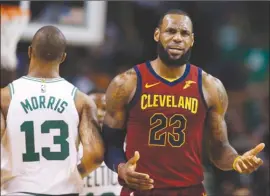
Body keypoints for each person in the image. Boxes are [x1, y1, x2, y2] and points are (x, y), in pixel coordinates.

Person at [102, 9, 265, 196]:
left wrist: (236, 161)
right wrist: (121, 167)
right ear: (157, 34)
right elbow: (111, 144)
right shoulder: (127, 83)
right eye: (170, 31)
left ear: (192, 40)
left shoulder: (210, 87)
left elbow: (219, 150)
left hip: (190, 190)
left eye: (184, 33)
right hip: (141, 190)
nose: (177, 38)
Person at [0, 25, 104, 196]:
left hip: (17, 191)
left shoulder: (5, 98)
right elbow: (96, 155)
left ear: (29, 52)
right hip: (64, 192)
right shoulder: (81, 100)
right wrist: (73, 177)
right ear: (63, 57)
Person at [79, 89, 122, 196]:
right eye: (92, 109)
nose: (98, 113)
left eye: (104, 109)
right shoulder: (73, 150)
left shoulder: (124, 149)